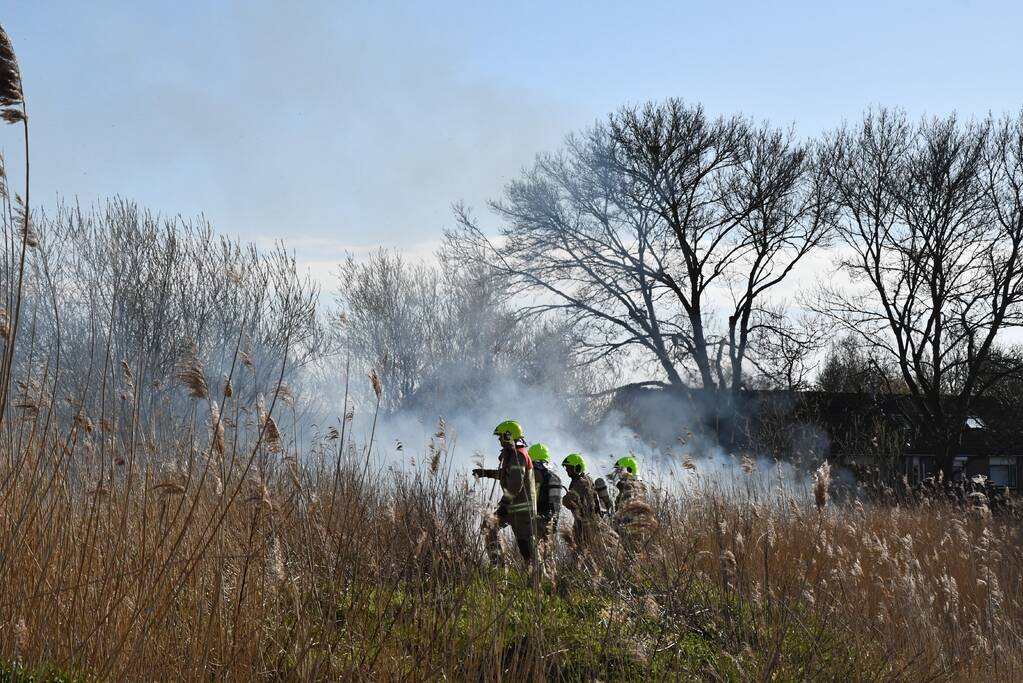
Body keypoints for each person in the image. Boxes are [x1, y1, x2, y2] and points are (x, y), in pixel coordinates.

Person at [472, 420, 536, 567]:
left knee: (526, 546)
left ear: (509, 435)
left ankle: (535, 578)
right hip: (514, 507)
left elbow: (515, 484)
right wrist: (485, 473)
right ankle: (500, 565)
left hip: (521, 509)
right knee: (488, 526)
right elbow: (508, 475)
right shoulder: (513, 454)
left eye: (501, 436)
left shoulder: (518, 455)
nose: (500, 440)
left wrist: (504, 504)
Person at [560, 453, 600, 549]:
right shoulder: (586, 479)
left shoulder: (581, 483)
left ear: (577, 467)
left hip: (585, 526)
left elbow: (567, 501)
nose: (566, 470)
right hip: (587, 523)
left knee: (583, 551)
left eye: (569, 467)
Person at [527, 443, 562, 541]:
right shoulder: (555, 478)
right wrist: (554, 524)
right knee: (546, 553)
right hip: (549, 522)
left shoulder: (534, 475)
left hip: (536, 521)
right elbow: (557, 505)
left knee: (532, 553)